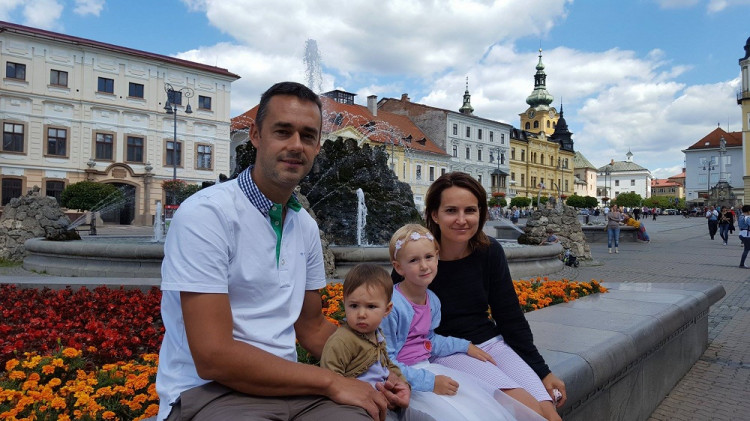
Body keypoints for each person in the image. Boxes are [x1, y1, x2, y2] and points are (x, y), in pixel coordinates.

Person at [155, 82, 405, 421]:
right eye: (283, 131)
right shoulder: (207, 214)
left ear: (318, 145)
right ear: (256, 135)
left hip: (290, 388)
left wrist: (382, 371)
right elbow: (213, 355)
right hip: (210, 391)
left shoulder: (305, 228)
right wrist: (330, 381)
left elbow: (312, 326)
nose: (295, 146)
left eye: (307, 136)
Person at [395, 172, 566, 421]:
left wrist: (543, 371)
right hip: (447, 351)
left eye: (470, 210)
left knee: (548, 410)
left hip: (491, 343)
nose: (462, 220)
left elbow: (510, 317)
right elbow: (390, 311)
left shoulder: (489, 251)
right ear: (434, 214)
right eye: (451, 210)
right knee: (527, 408)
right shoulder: (417, 257)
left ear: (481, 213)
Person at [382, 225, 545, 421]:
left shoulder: (431, 300)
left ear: (437, 257)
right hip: (406, 379)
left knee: (483, 407)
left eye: (428, 257)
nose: (424, 266)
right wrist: (430, 382)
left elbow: (429, 340)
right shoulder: (393, 306)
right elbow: (385, 360)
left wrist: (465, 346)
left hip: (426, 369)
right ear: (398, 267)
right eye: (414, 260)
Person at [320, 264, 434, 421]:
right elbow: (330, 377)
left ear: (387, 310)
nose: (361, 314)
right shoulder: (342, 341)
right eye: (353, 306)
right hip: (360, 407)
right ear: (344, 304)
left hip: (386, 400)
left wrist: (401, 382)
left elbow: (387, 364)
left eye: (371, 306)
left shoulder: (377, 333)